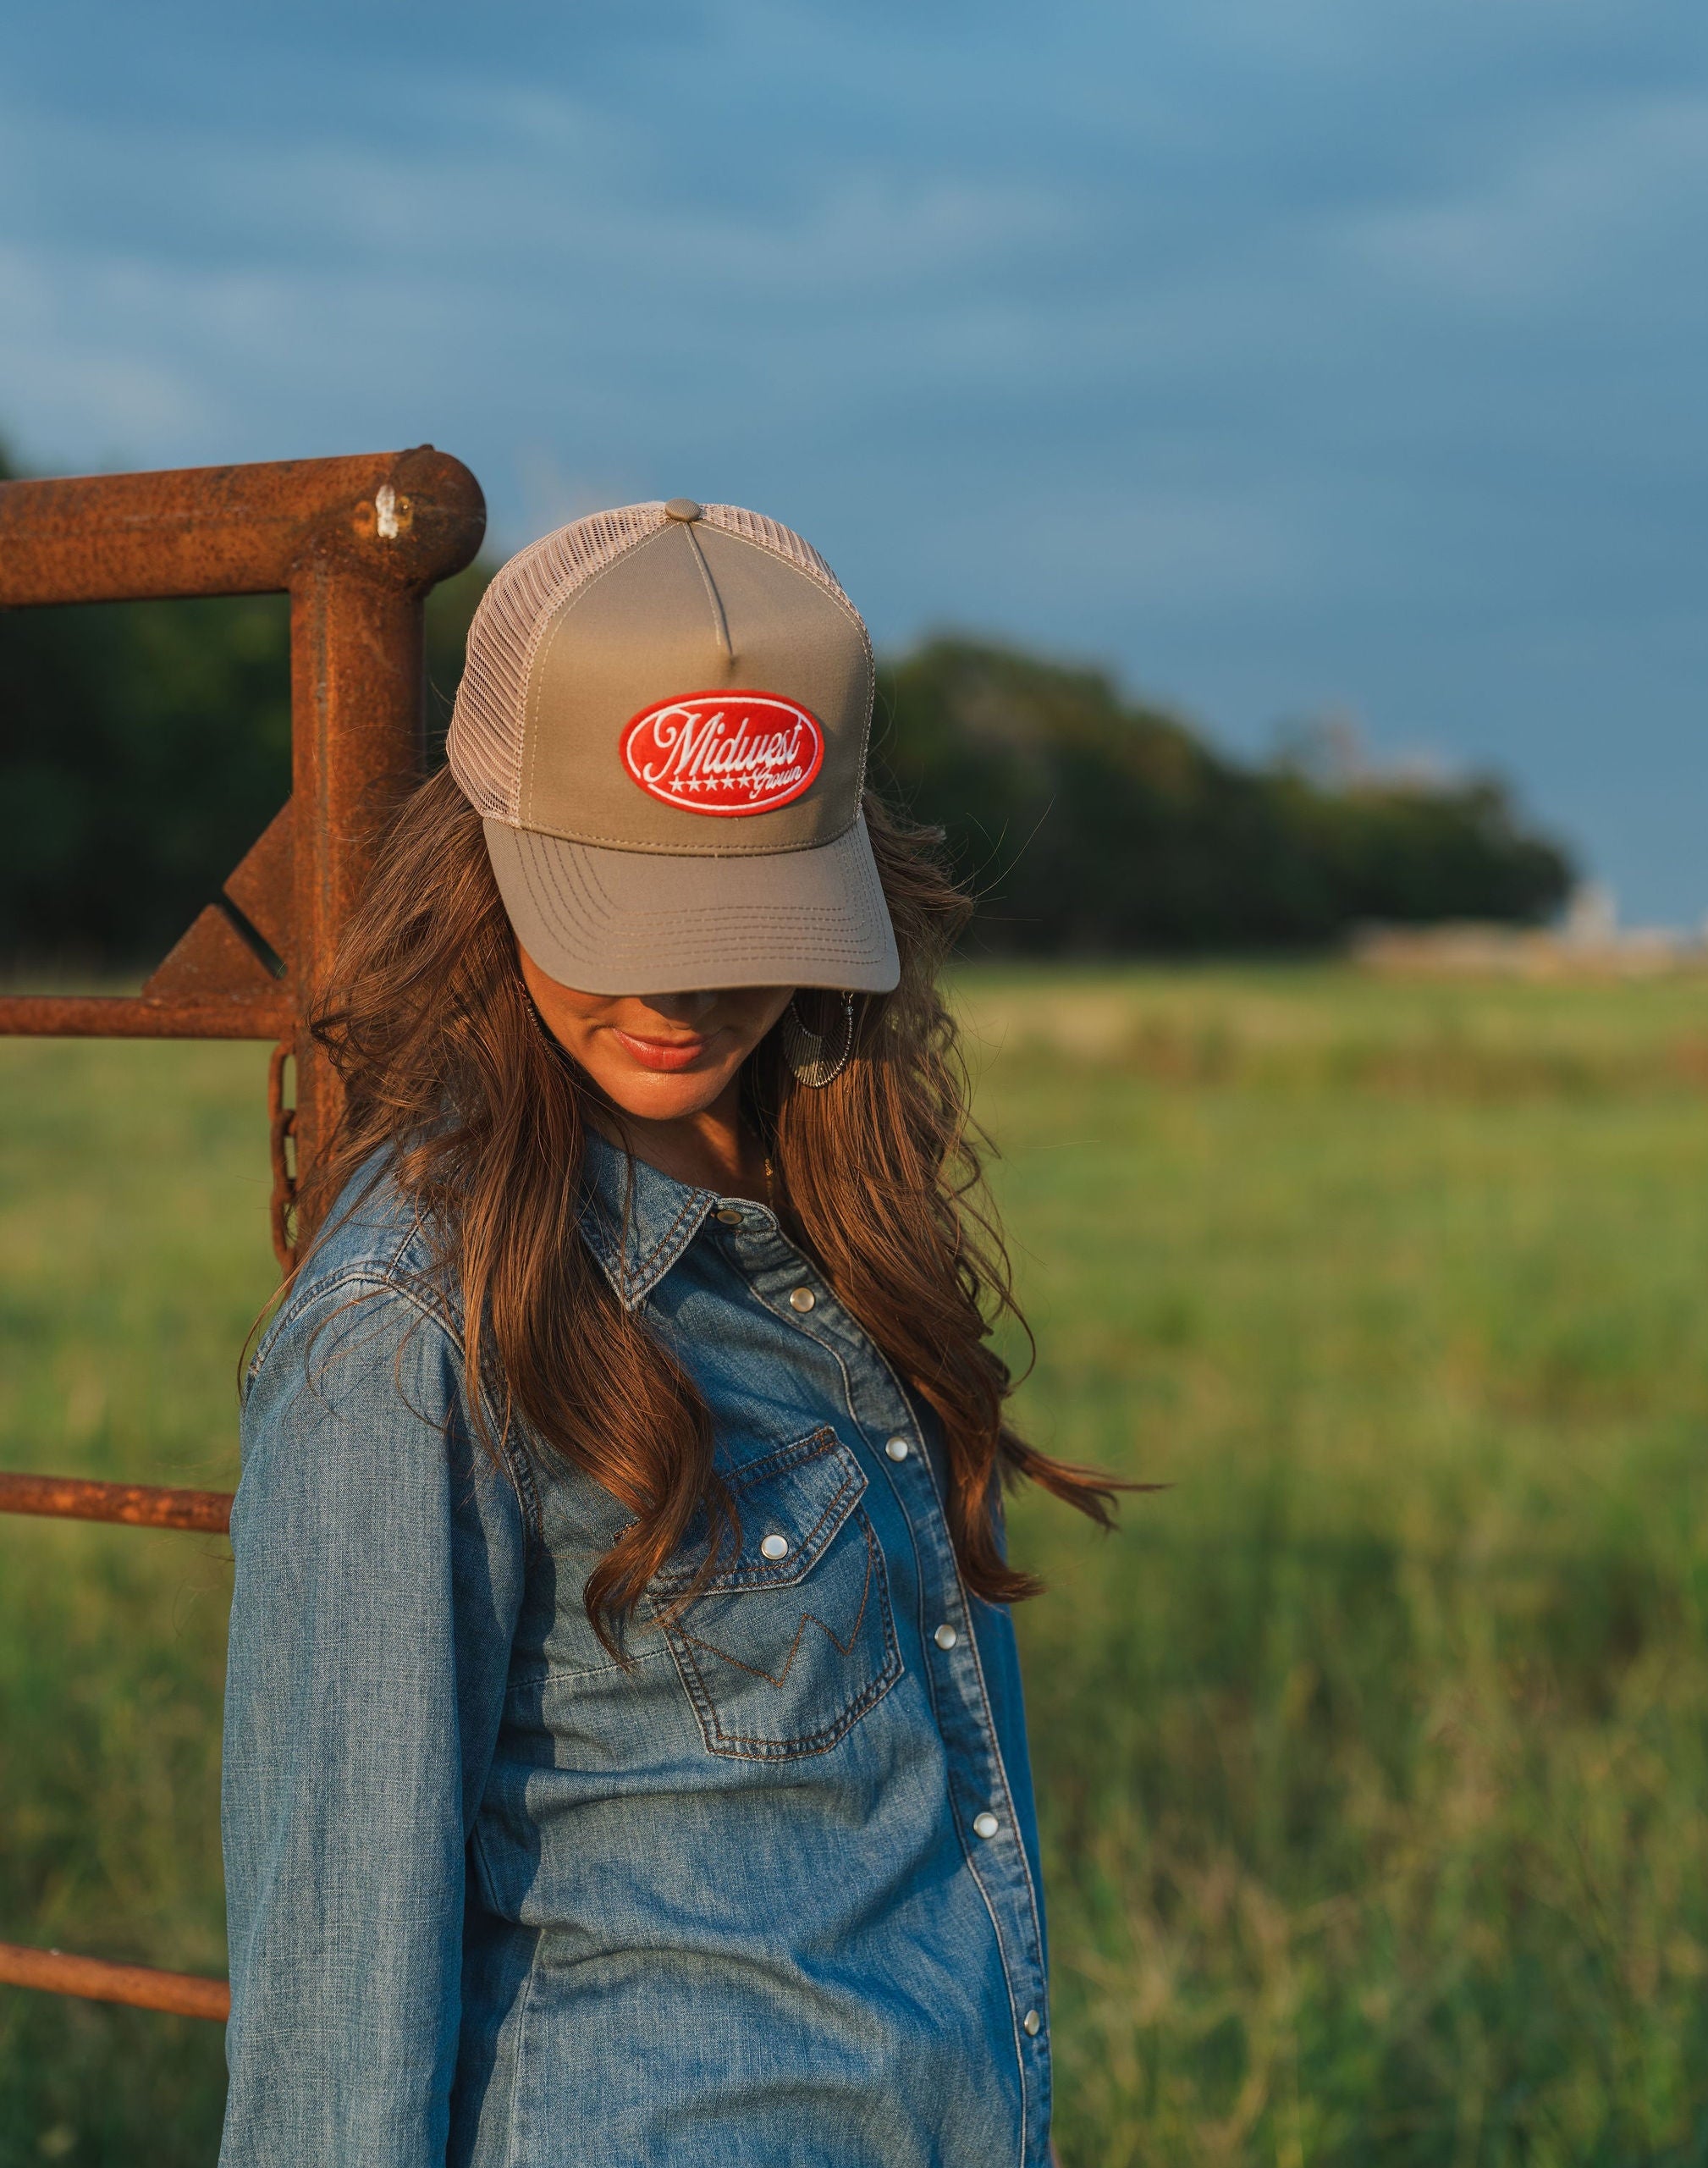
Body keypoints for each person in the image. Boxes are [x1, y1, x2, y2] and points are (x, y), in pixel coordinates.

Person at [218, 497, 1117, 2167]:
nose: (679, 994)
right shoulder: (411, 1331)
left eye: (740, 924)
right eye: (614, 913)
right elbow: (332, 2002)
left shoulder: (824, 1208)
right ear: (482, 853)